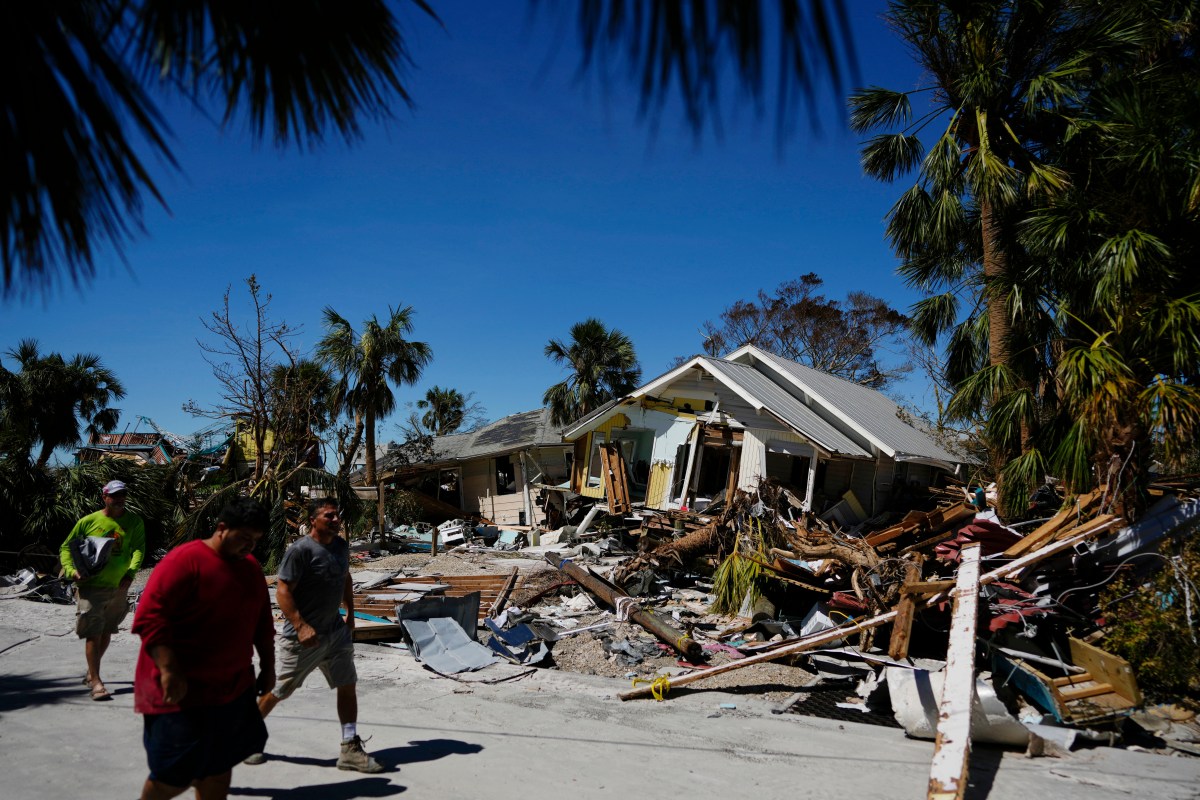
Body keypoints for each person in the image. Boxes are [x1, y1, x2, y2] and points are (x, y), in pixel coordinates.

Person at [131, 497, 275, 800]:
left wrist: (269, 667)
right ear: (222, 528)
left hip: (231, 690)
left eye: (255, 540)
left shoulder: (250, 569)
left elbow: (263, 623)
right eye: (244, 538)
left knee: (218, 774)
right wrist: (169, 669)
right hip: (180, 693)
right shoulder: (183, 561)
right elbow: (150, 619)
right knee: (173, 777)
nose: (250, 546)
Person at [244, 497, 383, 773]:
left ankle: (349, 748)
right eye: (329, 516)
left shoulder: (342, 547)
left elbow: (346, 578)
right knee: (279, 690)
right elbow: (282, 590)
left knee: (347, 684)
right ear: (313, 521)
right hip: (302, 637)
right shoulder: (301, 550)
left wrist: (350, 613)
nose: (335, 520)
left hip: (334, 631)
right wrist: (299, 625)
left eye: (337, 515)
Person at [59, 478, 146, 701]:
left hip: (118, 587)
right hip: (91, 586)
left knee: (107, 631)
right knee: (93, 633)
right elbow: (67, 547)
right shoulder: (89, 521)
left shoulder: (134, 521)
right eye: (114, 495)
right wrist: (72, 571)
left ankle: (91, 672)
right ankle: (97, 682)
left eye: (122, 495)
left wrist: (130, 573)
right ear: (104, 497)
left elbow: (138, 549)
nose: (119, 499)